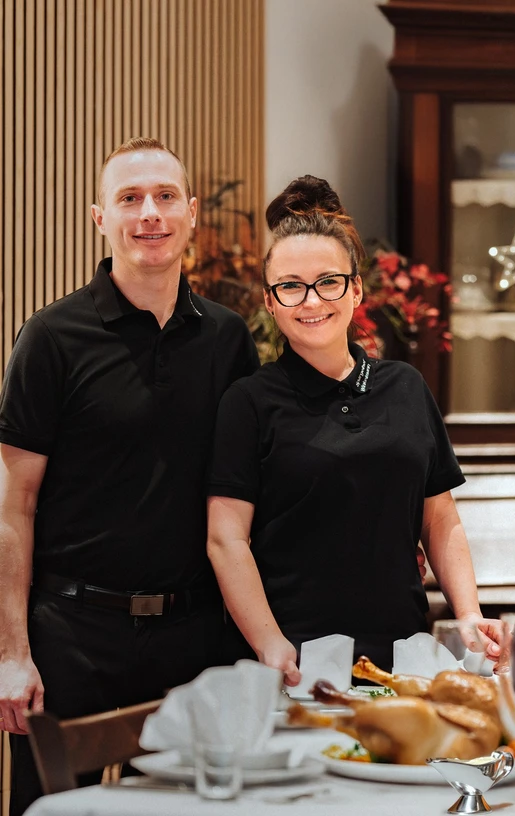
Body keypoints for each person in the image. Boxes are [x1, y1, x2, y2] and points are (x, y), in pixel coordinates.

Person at [0, 137, 260, 814]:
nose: (151, 213)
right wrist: (12, 653)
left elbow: (251, 489)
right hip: (71, 637)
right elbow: (12, 506)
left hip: (194, 638)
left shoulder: (228, 339)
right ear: (100, 217)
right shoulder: (51, 338)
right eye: (130, 198)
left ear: (192, 213)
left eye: (165, 196)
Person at [207, 176, 498, 682]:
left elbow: (439, 518)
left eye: (328, 281)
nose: (311, 301)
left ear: (356, 288)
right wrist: (271, 644)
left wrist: (469, 613)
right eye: (291, 287)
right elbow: (226, 539)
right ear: (271, 302)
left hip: (406, 658)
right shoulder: (249, 402)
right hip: (297, 665)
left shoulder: (405, 387)